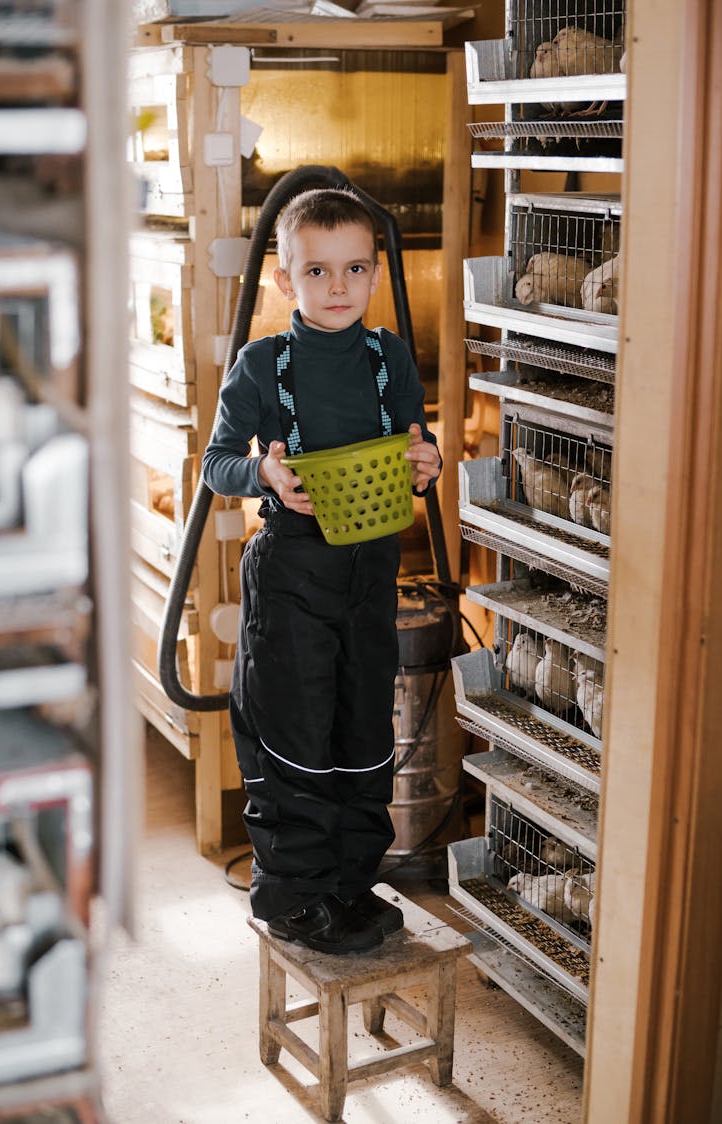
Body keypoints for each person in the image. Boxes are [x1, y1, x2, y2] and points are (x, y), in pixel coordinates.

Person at [202, 187, 441, 954]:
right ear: (284, 281)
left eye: (354, 269)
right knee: (296, 732)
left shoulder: (390, 360)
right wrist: (263, 477)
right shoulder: (260, 365)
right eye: (317, 271)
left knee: (363, 728)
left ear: (374, 276)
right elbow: (214, 465)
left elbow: (416, 449)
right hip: (293, 580)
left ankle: (348, 883)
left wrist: (427, 464)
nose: (337, 287)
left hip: (370, 572)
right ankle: (291, 893)